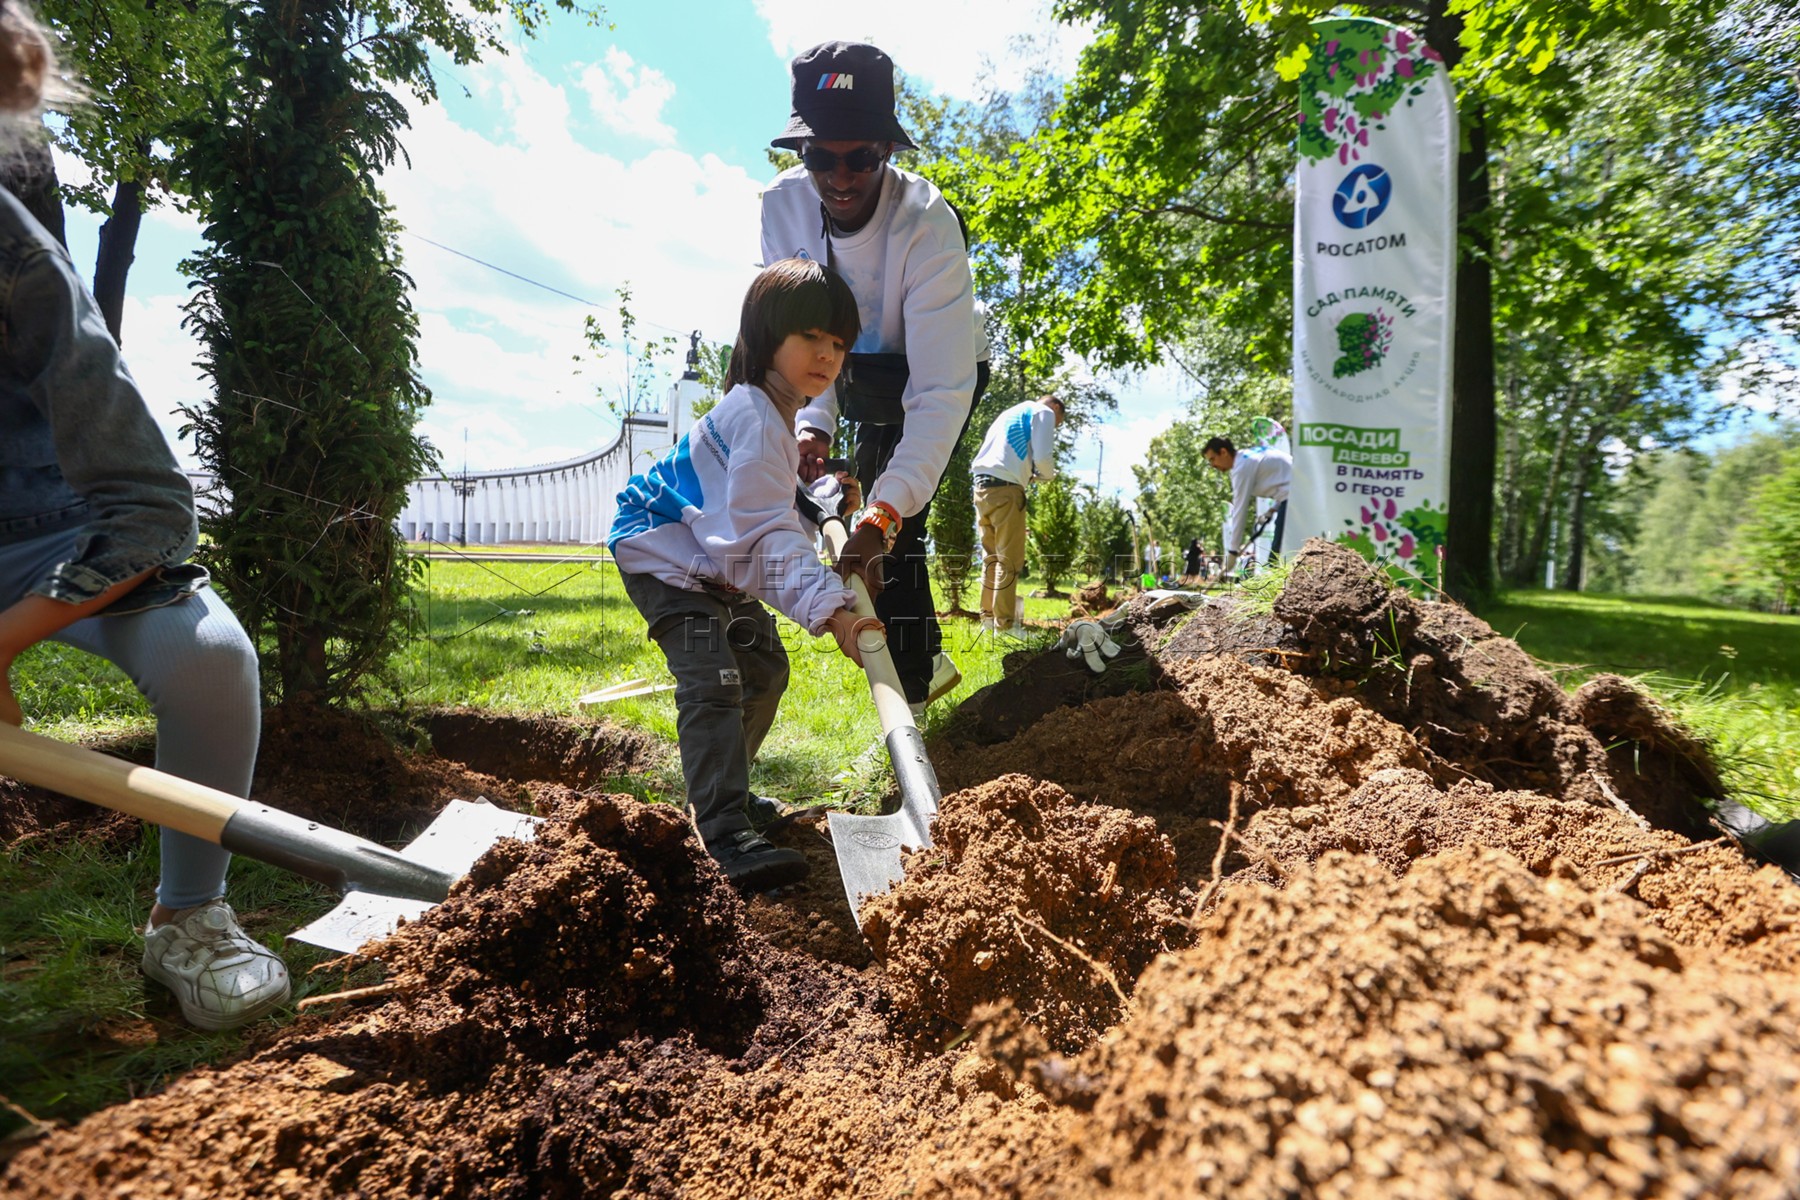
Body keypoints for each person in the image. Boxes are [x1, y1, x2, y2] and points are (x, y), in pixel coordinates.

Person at [0, 1, 288, 1031]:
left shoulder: (16, 255)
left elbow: (152, 512)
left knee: (211, 657)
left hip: (50, 527)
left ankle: (189, 916)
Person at [608, 259, 883, 891]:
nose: (827, 355)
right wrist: (833, 608)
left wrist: (816, 502)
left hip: (714, 564)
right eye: (811, 337)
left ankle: (724, 792)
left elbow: (763, 512)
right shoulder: (758, 420)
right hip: (668, 562)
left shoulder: (770, 418)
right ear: (764, 337)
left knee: (763, 671)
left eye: (838, 343)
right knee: (715, 677)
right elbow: (762, 541)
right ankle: (721, 829)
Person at [760, 40, 989, 715]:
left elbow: (939, 391)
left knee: (892, 530)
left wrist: (881, 518)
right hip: (851, 362)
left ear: (885, 152)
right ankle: (927, 666)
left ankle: (911, 709)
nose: (840, 177)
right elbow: (805, 337)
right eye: (820, 158)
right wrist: (812, 425)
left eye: (859, 157)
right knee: (863, 515)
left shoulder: (926, 226)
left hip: (932, 365)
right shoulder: (782, 210)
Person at [970, 393, 1062, 635]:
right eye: (1057, 423)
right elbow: (1042, 458)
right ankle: (1006, 626)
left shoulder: (1010, 413)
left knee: (991, 557)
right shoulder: (1043, 412)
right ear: (1054, 407)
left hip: (981, 487)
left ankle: (988, 619)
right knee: (1009, 560)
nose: (1054, 425)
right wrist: (1048, 474)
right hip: (1007, 489)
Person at [1204, 435, 1293, 575]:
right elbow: (1283, 482)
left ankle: (1271, 588)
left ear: (1223, 452)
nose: (1213, 465)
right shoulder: (1247, 456)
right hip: (1292, 496)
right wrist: (1272, 509)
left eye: (1212, 459)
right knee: (1280, 548)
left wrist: (1233, 551)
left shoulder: (1242, 467)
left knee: (1277, 550)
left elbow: (1240, 510)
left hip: (1293, 499)